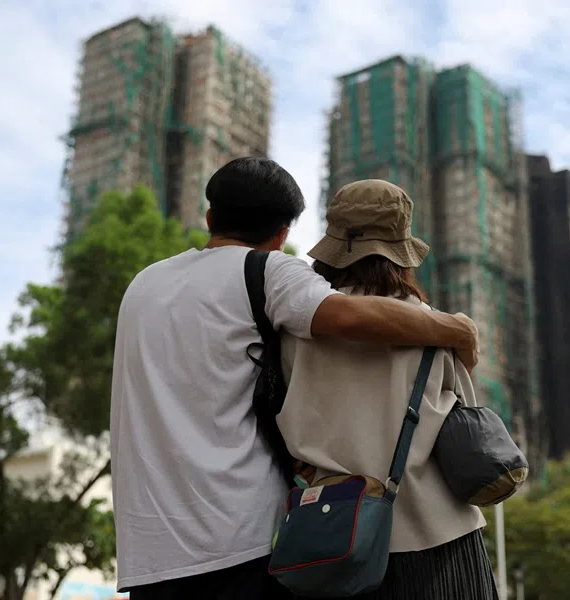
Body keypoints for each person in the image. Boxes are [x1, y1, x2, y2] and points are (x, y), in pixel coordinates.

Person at [109, 158, 480, 600]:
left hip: (152, 552)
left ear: (210, 217)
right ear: (283, 234)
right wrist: (457, 329)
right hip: (249, 541)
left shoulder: (143, 285)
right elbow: (349, 319)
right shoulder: (270, 275)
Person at [277, 179, 499, 600]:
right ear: (400, 253)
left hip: (332, 537)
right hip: (438, 534)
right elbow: (466, 414)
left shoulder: (295, 330)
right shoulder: (433, 327)